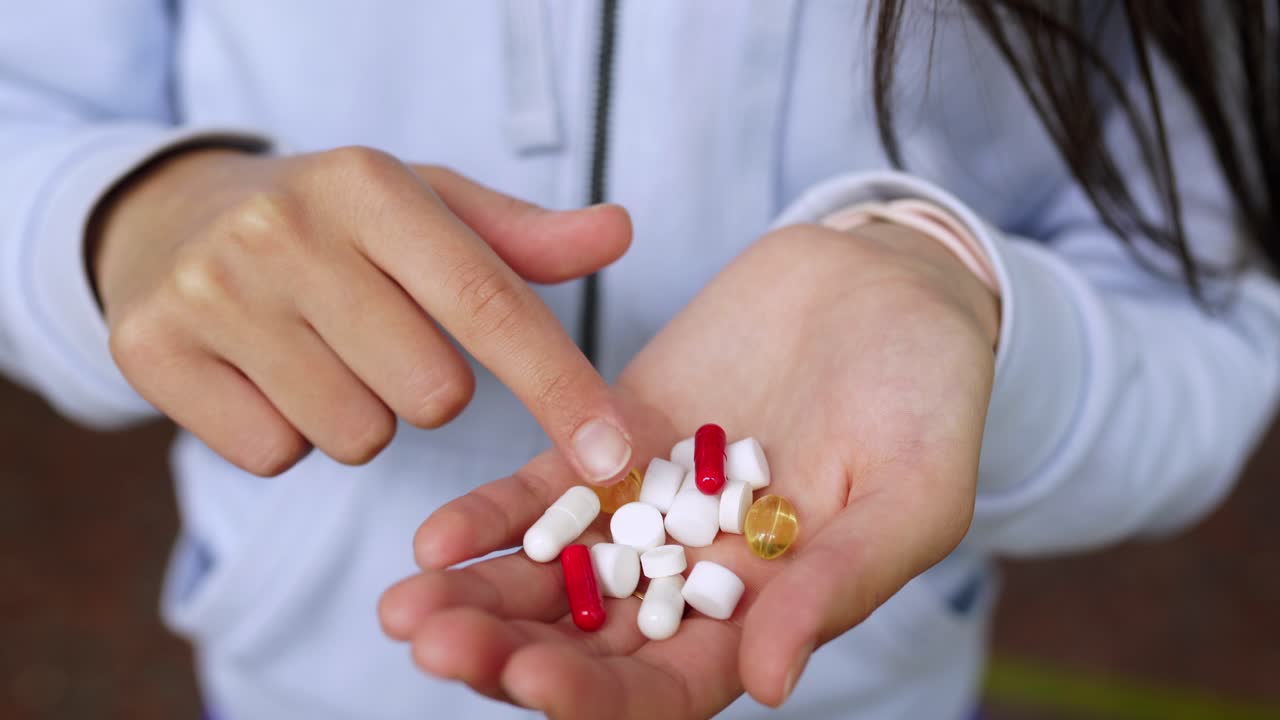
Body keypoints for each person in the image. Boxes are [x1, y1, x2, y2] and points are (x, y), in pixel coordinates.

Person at [1, 2, 1277, 718]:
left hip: (849, 690)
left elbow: (1214, 311)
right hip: (307, 681)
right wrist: (123, 215)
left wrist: (966, 302)